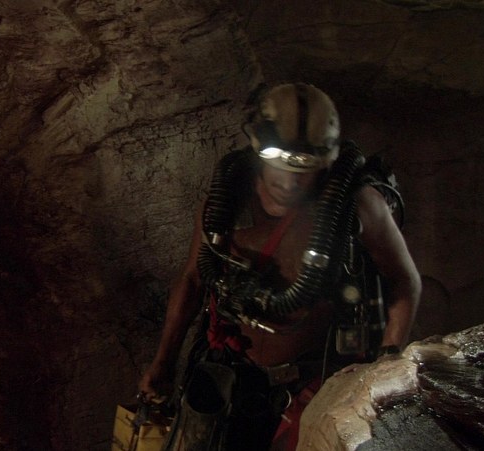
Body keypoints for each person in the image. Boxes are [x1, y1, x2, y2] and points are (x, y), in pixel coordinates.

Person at [138, 82, 421, 450]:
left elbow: (404, 281)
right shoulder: (226, 201)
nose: (289, 181)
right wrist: (163, 362)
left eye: (305, 167)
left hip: (314, 385)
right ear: (258, 147)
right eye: (279, 162)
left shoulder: (357, 206)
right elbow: (193, 279)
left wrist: (386, 363)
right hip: (231, 376)